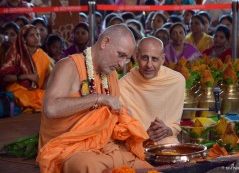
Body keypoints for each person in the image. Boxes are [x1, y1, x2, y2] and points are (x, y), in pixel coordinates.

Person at [36, 24, 153, 172]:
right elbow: (50, 108)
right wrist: (98, 98)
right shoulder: (68, 66)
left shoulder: (110, 76)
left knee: (147, 168)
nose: (121, 64)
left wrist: (126, 122)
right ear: (105, 42)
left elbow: (110, 118)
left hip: (107, 147)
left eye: (127, 59)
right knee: (87, 166)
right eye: (121, 55)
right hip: (72, 150)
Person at [119, 36, 185, 145]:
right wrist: (143, 135)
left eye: (154, 59)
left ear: (162, 59)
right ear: (136, 57)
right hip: (135, 144)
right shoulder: (123, 85)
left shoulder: (176, 81)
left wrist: (167, 130)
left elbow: (174, 126)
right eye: (145, 58)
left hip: (166, 141)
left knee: (169, 142)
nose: (149, 65)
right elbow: (120, 131)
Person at [0, 24, 53, 111]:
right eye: (32, 35)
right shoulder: (15, 53)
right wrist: (26, 76)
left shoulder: (42, 55)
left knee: (48, 97)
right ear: (24, 39)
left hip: (36, 90)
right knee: (22, 98)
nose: (36, 37)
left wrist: (45, 84)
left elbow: (50, 73)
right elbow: (5, 77)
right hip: (17, 89)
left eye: (37, 34)